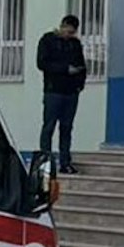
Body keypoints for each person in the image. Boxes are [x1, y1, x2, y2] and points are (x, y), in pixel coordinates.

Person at [35, 15, 86, 175]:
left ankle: (65, 162)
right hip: (53, 90)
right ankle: (45, 163)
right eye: (68, 31)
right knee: (49, 126)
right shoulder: (48, 40)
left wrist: (79, 85)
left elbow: (82, 65)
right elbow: (42, 63)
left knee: (67, 128)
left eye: (73, 33)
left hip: (71, 92)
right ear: (62, 26)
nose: (69, 35)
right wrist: (65, 69)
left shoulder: (75, 44)